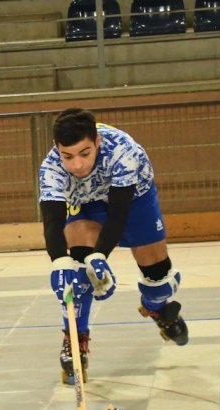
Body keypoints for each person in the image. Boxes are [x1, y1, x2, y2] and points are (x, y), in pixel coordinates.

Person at [39, 108, 188, 385]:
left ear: (96, 142)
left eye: (84, 153)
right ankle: (75, 339)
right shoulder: (51, 167)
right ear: (57, 149)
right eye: (67, 156)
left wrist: (101, 256)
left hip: (134, 200)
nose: (77, 166)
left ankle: (155, 306)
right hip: (86, 205)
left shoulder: (122, 150)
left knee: (159, 279)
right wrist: (59, 263)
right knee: (78, 273)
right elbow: (52, 220)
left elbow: (119, 215)